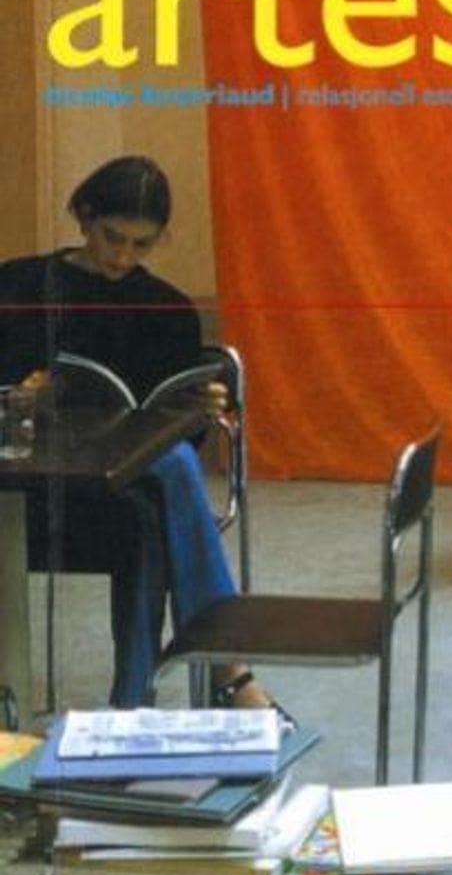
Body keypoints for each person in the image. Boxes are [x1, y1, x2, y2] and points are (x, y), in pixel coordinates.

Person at [0, 155, 278, 714]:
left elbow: (183, 437)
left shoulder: (167, 310)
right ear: (84, 216)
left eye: (141, 245)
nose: (123, 257)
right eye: (112, 237)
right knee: (166, 485)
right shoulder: (18, 286)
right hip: (26, 491)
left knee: (160, 489)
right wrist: (20, 395)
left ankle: (136, 704)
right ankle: (218, 678)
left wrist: (200, 408)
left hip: (116, 496)